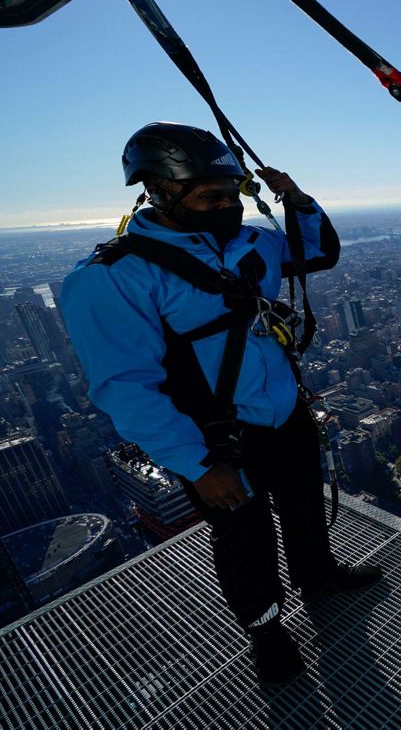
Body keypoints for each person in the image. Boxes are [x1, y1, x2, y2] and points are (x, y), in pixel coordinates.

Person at [61, 122, 382, 686]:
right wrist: (199, 465)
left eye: (231, 195)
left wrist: (295, 198)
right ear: (159, 191)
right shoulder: (114, 278)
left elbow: (319, 253)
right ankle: (267, 634)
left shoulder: (252, 243)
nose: (228, 207)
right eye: (211, 197)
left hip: (286, 412)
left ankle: (320, 577)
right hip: (216, 440)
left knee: (305, 507)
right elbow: (126, 387)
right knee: (244, 540)